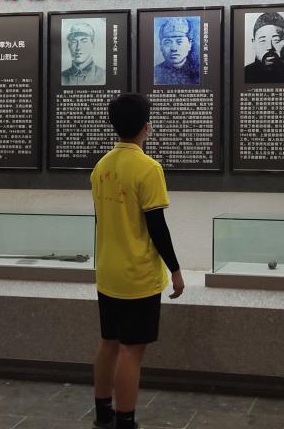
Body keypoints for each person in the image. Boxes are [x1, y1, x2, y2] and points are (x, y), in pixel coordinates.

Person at [90, 93, 184, 429]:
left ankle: (103, 414)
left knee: (109, 343)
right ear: (146, 127)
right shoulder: (148, 168)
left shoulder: (101, 166)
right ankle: (125, 420)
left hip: (108, 272)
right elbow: (157, 227)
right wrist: (175, 270)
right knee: (131, 351)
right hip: (137, 276)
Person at [244, 11, 284, 83]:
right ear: (253, 43)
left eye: (276, 40)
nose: (269, 47)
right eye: (262, 40)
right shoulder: (244, 74)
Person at [153, 17, 200, 85]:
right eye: (168, 42)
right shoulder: (155, 72)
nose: (174, 48)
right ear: (161, 46)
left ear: (189, 44)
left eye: (179, 42)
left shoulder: (198, 71)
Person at [61, 21, 106, 86]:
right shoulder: (61, 77)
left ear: (92, 45)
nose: (78, 47)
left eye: (84, 41)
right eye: (74, 41)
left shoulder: (104, 76)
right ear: (69, 46)